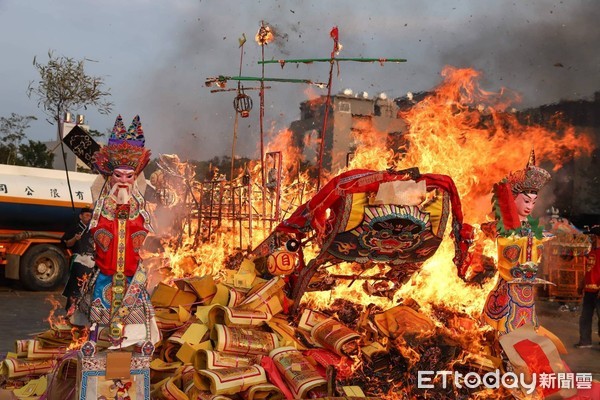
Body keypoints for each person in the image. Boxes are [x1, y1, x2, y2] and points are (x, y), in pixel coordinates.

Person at [85, 114, 159, 349]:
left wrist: (128, 213)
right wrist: (114, 214)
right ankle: (98, 343)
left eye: (130, 176)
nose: (124, 181)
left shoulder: (139, 204)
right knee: (100, 316)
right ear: (110, 176)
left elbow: (143, 229)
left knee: (135, 321)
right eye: (119, 175)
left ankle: (132, 346)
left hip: (130, 273)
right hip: (107, 271)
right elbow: (97, 229)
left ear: (136, 177)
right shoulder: (103, 204)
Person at [482, 150, 552, 334]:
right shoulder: (504, 226)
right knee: (506, 328)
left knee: (526, 327)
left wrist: (535, 242)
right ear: (514, 199)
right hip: (509, 285)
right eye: (526, 201)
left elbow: (537, 254)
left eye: (533, 202)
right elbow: (506, 253)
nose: (529, 206)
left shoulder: (532, 226)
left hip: (527, 289)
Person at [61, 206, 94, 320]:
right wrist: (75, 238)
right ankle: (70, 310)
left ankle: (84, 312)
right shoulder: (74, 227)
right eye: (86, 215)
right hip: (79, 259)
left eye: (90, 216)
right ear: (80, 216)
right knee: (75, 285)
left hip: (91, 260)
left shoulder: (93, 229)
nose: (88, 218)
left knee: (89, 286)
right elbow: (67, 244)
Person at [575, 228, 600, 348]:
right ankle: (585, 341)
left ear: (597, 237)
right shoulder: (593, 251)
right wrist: (581, 284)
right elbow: (589, 271)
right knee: (585, 316)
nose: (591, 239)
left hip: (599, 290)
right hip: (589, 290)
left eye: (593, 236)